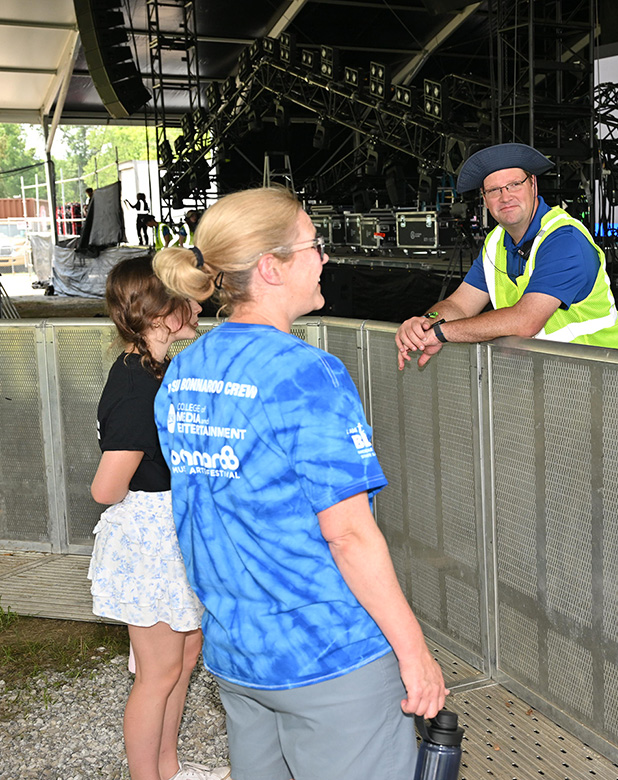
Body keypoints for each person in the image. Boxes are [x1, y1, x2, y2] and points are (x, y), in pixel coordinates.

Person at [153, 187, 447, 780]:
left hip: (238, 652)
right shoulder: (307, 373)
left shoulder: (184, 368)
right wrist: (414, 654)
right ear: (271, 267)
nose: (325, 258)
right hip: (327, 656)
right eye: (314, 245)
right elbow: (348, 535)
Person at [88, 256, 229, 780]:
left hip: (172, 530)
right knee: (158, 671)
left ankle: (168, 769)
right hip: (149, 536)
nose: (199, 305)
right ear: (159, 310)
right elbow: (106, 488)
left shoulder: (157, 371)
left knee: (185, 657)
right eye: (188, 297)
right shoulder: (135, 385)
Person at [395, 142, 618, 369]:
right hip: (564, 380)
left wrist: (441, 333)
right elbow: (459, 305)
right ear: (485, 199)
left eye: (514, 184)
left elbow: (526, 320)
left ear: (533, 184)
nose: (505, 197)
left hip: (616, 375)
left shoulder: (565, 239)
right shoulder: (495, 243)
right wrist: (426, 322)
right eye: (494, 190)